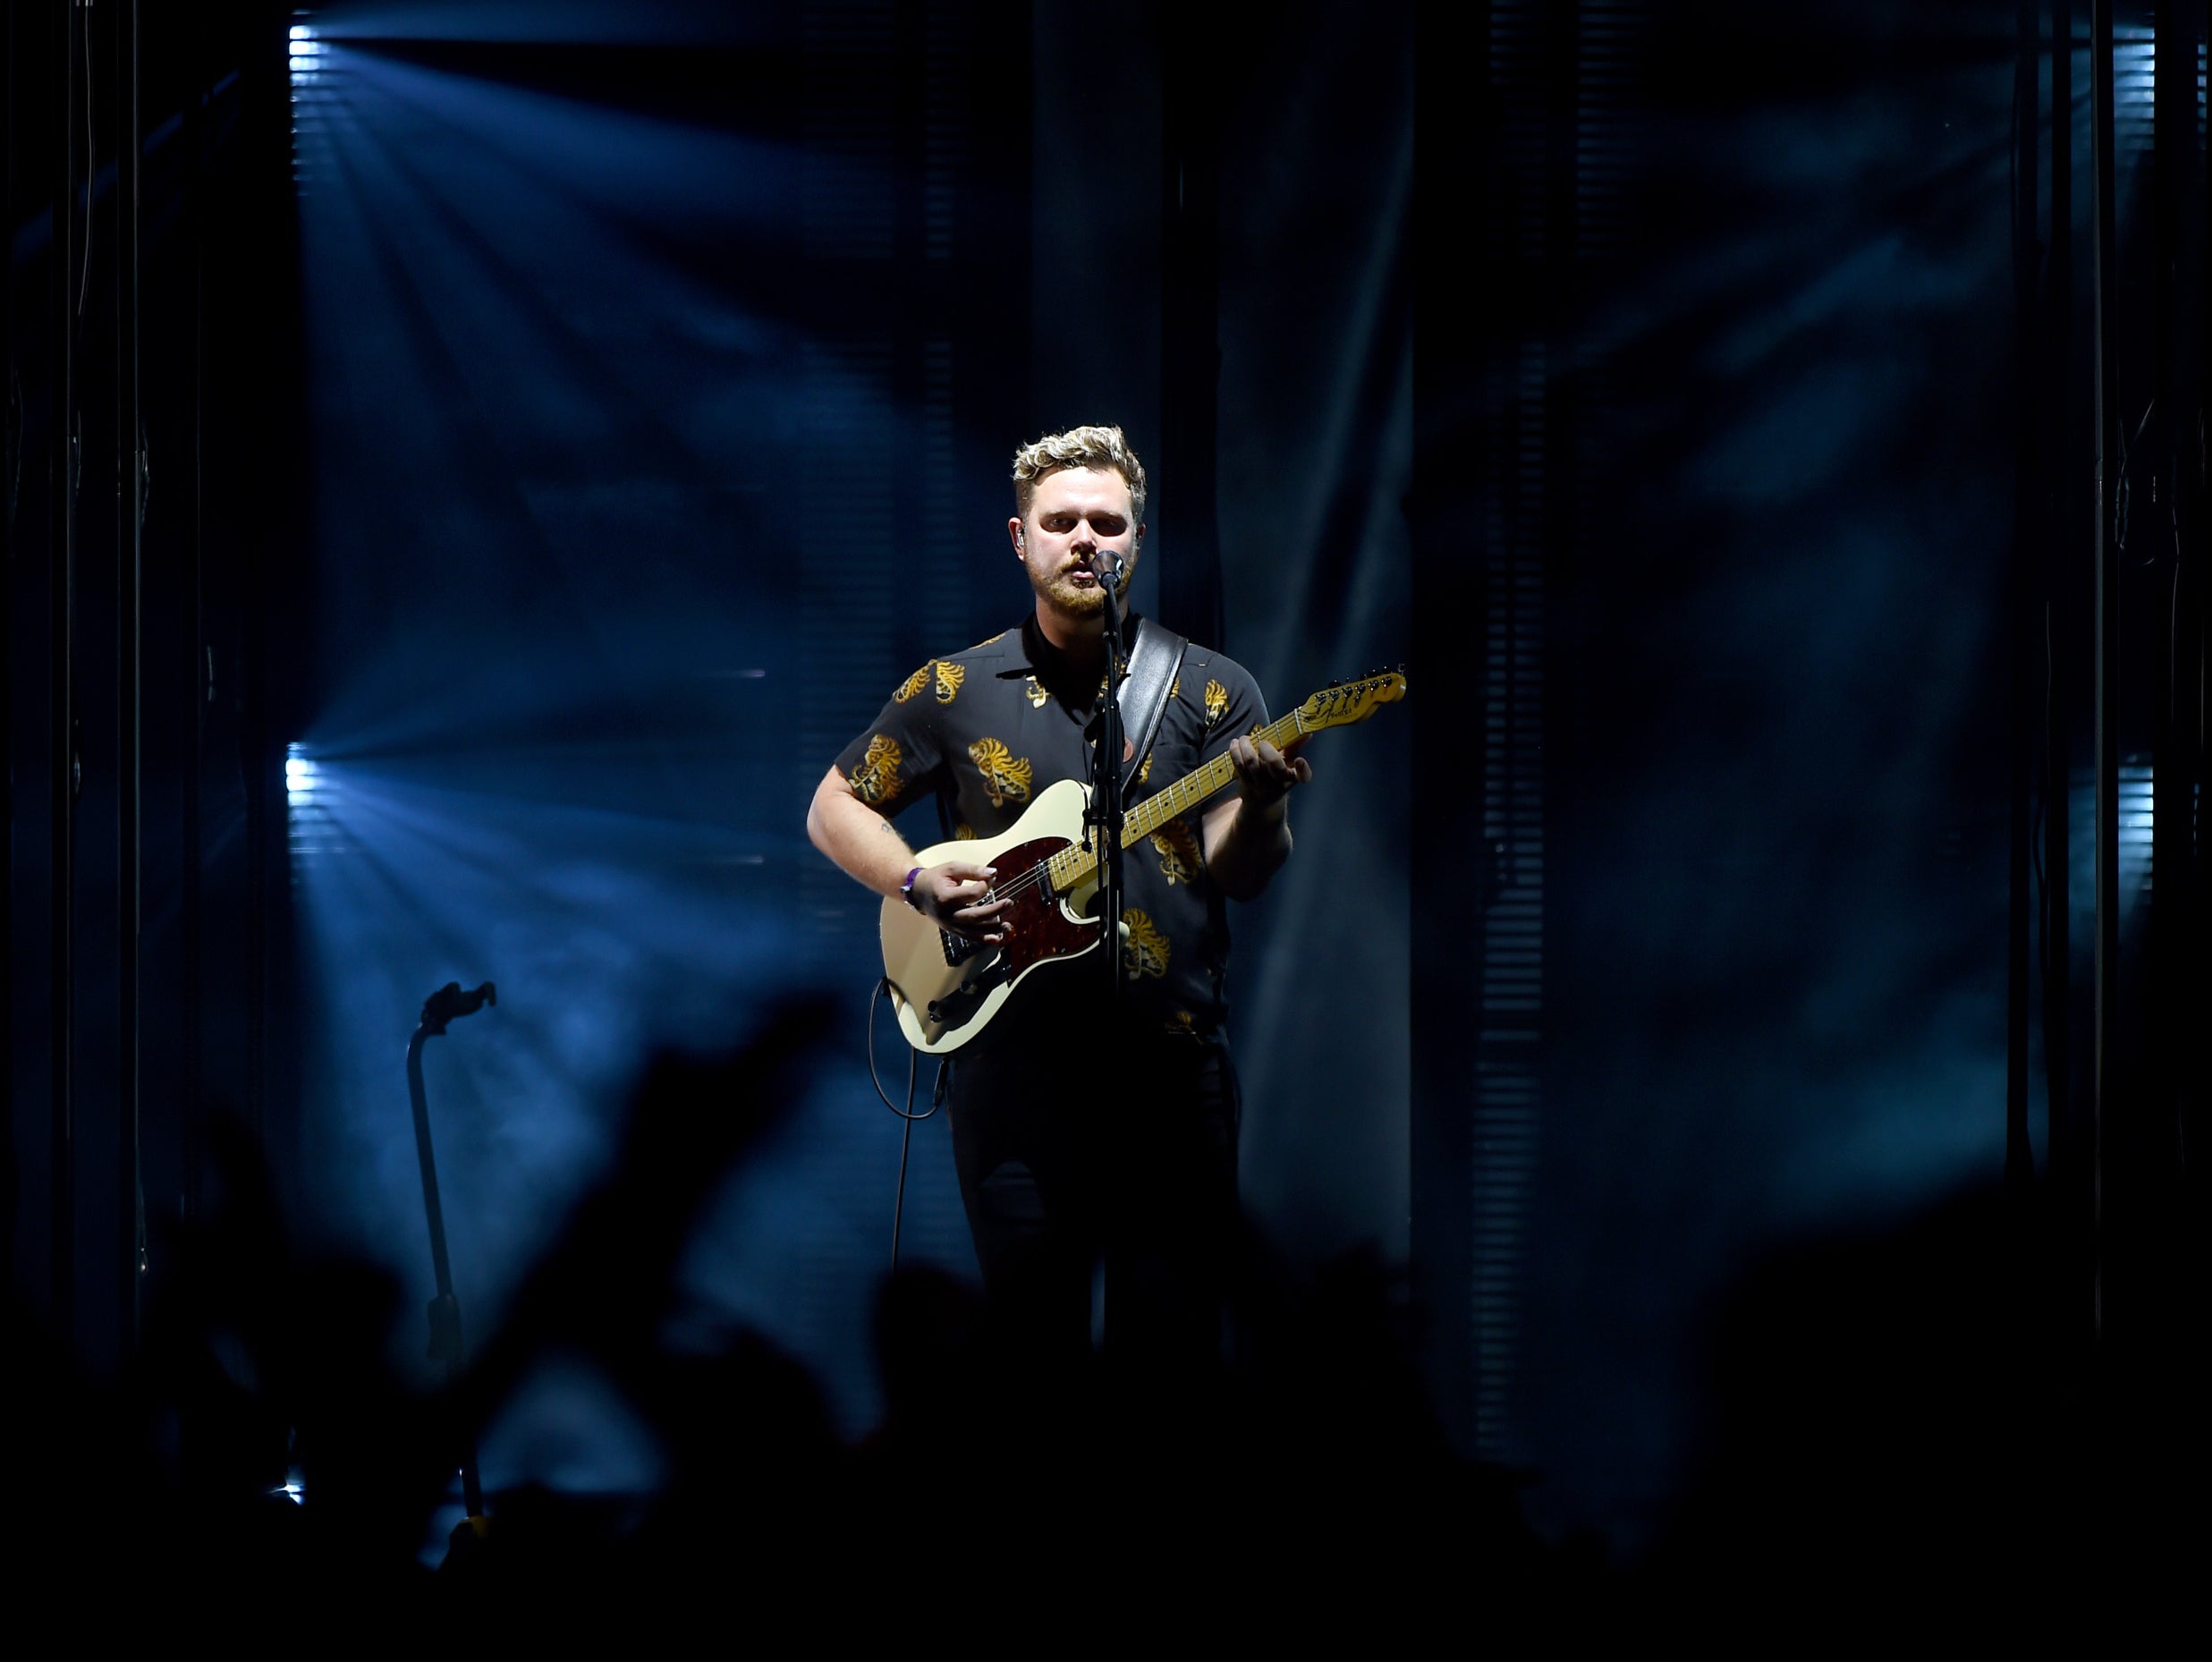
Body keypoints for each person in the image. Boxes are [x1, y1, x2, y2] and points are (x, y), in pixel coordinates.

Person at [805, 424, 1308, 1416]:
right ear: (1019, 539)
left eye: (1107, 523)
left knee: (1169, 1371)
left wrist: (1264, 801)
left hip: (1171, 1078)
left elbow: (1238, 873)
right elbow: (833, 805)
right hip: (1012, 1077)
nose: (1085, 539)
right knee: (1034, 1367)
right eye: (1061, 521)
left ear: (1139, 539)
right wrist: (913, 884)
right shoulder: (952, 689)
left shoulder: (1211, 688)